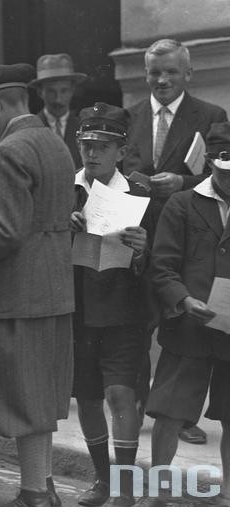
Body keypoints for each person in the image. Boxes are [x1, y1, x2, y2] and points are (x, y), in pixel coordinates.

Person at [0, 63, 75, 506]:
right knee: (41, 397)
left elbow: (6, 232)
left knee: (20, 398)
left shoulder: (10, 149)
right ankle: (43, 487)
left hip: (14, 294)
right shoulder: (55, 143)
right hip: (55, 290)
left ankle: (32, 494)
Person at [124, 38, 227, 445]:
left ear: (188, 74)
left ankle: (183, 416)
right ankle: (138, 404)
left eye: (170, 72)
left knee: (183, 325)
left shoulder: (210, 115)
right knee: (136, 324)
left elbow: (220, 175)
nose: (162, 80)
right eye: (154, 72)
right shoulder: (130, 118)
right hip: (135, 237)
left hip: (186, 240)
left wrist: (182, 182)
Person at [142, 121, 230, 507]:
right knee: (170, 413)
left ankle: (228, 495)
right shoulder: (182, 204)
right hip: (189, 326)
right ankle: (158, 491)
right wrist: (183, 300)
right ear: (210, 162)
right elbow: (161, 266)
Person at [69, 103, 152, 507]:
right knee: (86, 397)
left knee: (120, 395)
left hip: (122, 313)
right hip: (78, 311)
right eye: (86, 143)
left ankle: (124, 486)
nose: (92, 153)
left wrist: (140, 250)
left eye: (103, 145)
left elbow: (159, 264)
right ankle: (102, 479)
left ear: (120, 152)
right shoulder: (66, 191)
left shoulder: (140, 196)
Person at [29, 53, 87, 169]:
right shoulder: (30, 129)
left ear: (72, 90)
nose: (58, 99)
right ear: (40, 92)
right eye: (51, 92)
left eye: (64, 91)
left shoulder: (84, 128)